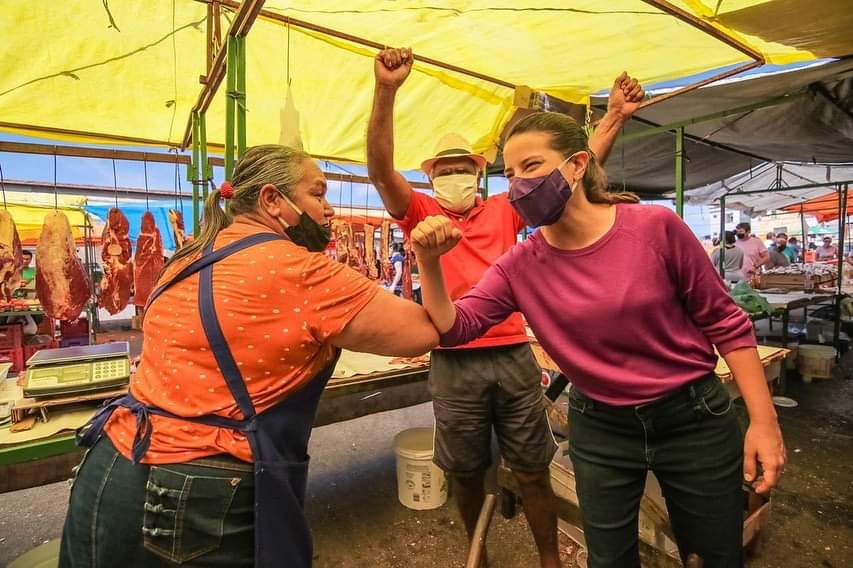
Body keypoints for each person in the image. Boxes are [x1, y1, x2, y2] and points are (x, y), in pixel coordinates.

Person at [411, 111, 786, 567]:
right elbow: (455, 326)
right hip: (601, 427)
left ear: (577, 164)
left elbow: (725, 321)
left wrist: (764, 421)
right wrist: (428, 262)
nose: (518, 184)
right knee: (608, 559)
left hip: (692, 419)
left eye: (531, 166)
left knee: (713, 556)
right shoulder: (519, 266)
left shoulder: (654, 228)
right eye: (509, 174)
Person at [59, 146, 440, 568]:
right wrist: (430, 261)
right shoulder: (302, 270)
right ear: (272, 199)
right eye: (318, 194)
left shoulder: (185, 259)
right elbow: (425, 332)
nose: (329, 209)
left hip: (109, 466)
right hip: (200, 484)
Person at [367, 46, 644, 568]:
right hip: (453, 361)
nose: (454, 178)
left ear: (477, 173)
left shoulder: (505, 208)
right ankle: (481, 557)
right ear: (432, 179)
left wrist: (613, 118)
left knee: (533, 469)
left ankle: (549, 560)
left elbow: (572, 174)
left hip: (514, 355)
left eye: (462, 169)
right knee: (466, 472)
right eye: (444, 171)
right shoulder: (421, 212)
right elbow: (381, 171)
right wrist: (385, 91)